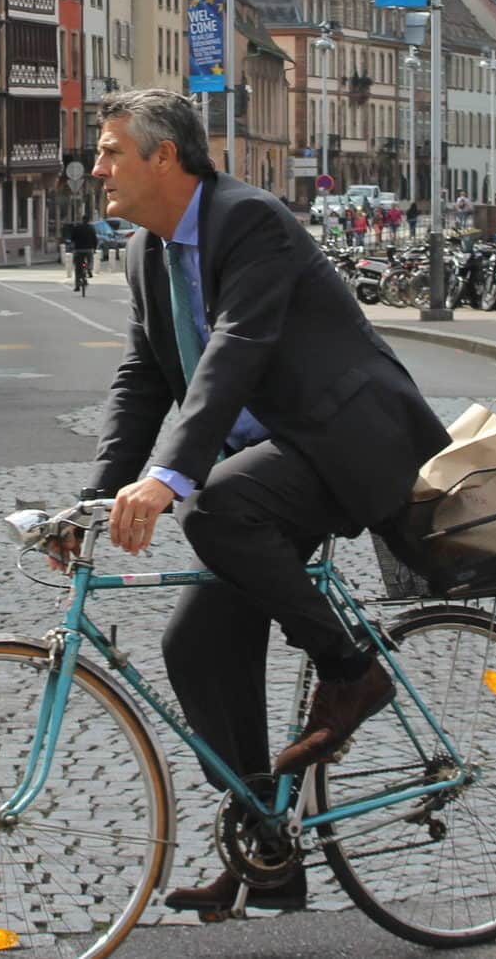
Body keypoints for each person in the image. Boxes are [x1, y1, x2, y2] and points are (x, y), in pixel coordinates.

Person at [82, 88, 449, 920]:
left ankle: (352, 672)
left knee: (211, 507)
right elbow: (145, 379)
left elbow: (238, 348)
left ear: (162, 157)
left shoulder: (249, 220)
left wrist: (169, 478)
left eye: (110, 152)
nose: (96, 167)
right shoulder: (146, 252)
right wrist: (97, 499)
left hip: (342, 438)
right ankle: (266, 850)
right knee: (195, 649)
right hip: (264, 460)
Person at [63, 217, 99, 288]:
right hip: (89, 249)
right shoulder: (91, 228)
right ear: (88, 221)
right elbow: (95, 239)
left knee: (77, 268)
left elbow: (72, 238)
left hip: (78, 249)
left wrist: (73, 245)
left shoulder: (77, 228)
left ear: (82, 220)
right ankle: (89, 268)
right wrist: (94, 249)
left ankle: (77, 286)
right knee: (90, 260)